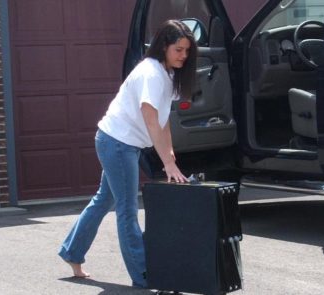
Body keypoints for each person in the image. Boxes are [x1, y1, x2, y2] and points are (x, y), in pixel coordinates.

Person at [58, 19, 197, 288]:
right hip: (117, 143)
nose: (183, 55)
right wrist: (166, 163)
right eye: (178, 49)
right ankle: (143, 276)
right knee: (127, 210)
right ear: (164, 47)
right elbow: (150, 116)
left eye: (187, 51)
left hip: (122, 143)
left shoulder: (167, 74)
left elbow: (164, 120)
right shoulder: (152, 73)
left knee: (103, 200)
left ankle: (71, 252)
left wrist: (170, 155)